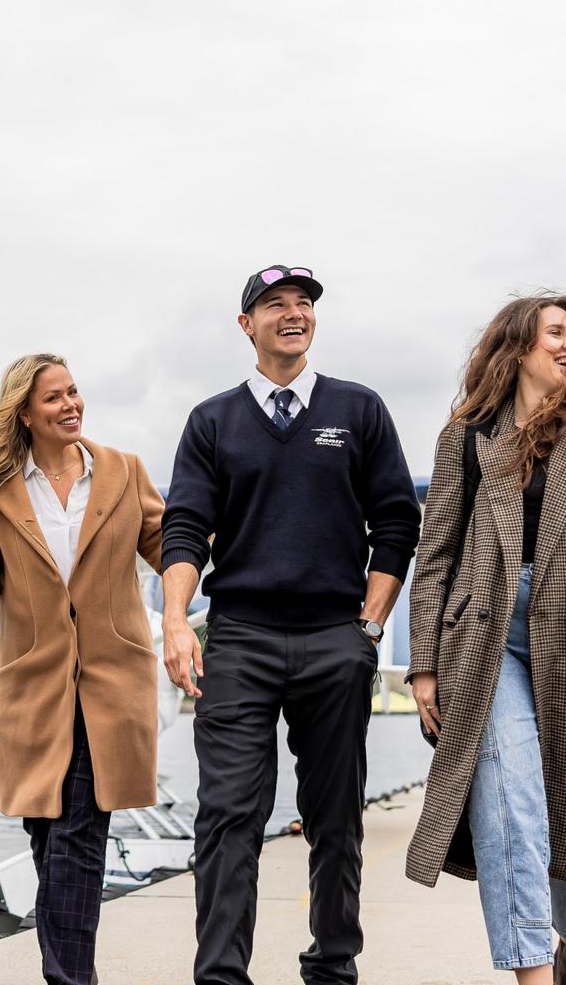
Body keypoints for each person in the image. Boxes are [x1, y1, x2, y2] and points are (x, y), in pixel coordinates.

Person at [159, 265, 421, 985]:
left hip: (335, 637)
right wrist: (176, 620)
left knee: (335, 819)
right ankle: (220, 977)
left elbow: (397, 520)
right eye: (275, 304)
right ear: (247, 325)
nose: (294, 313)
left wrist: (368, 628)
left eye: (303, 303)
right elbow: (184, 525)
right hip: (238, 636)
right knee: (228, 817)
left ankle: (332, 968)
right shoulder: (212, 421)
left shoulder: (358, 410)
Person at [404, 294, 566, 985]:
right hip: (483, 639)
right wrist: (422, 665)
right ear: (518, 347)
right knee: (510, 801)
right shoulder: (465, 436)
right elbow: (435, 555)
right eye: (556, 332)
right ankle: (531, 972)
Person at [0, 352, 165, 985]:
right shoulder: (3, 487)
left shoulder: (123, 473)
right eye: (54, 398)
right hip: (34, 687)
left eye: (73, 392)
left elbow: (173, 545)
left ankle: (69, 980)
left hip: (112, 684)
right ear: (26, 414)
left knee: (77, 836)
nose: (71, 405)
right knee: (47, 834)